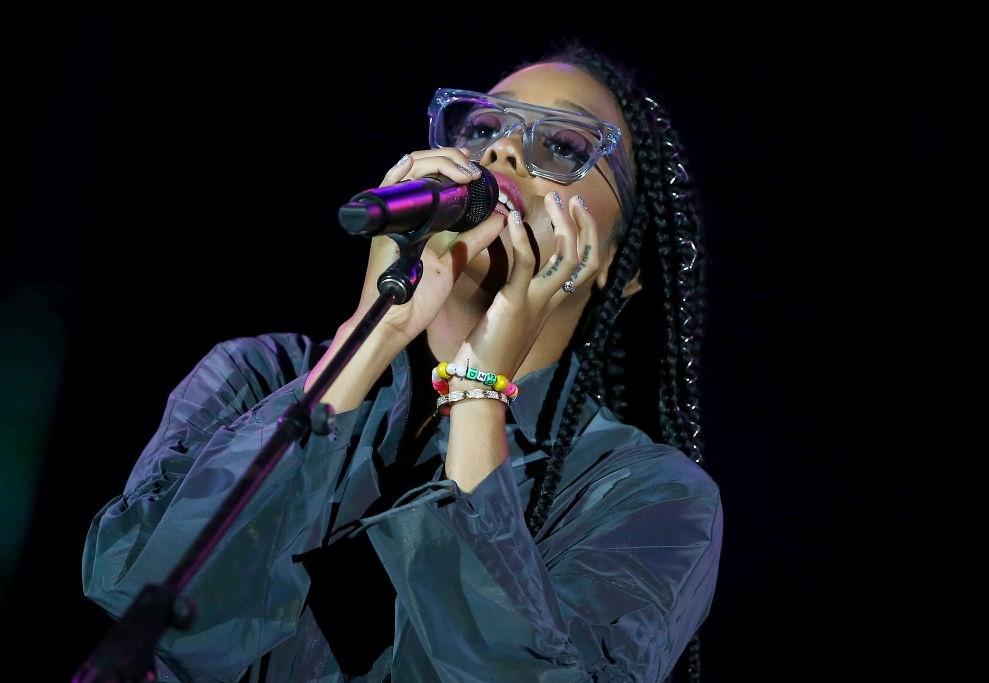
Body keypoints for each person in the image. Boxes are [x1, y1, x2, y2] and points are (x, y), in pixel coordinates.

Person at [82, 42, 723, 682]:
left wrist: (479, 395)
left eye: (563, 147)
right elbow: (136, 584)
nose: (501, 153)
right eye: (482, 129)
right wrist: (373, 331)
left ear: (621, 263)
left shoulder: (650, 495)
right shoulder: (259, 375)